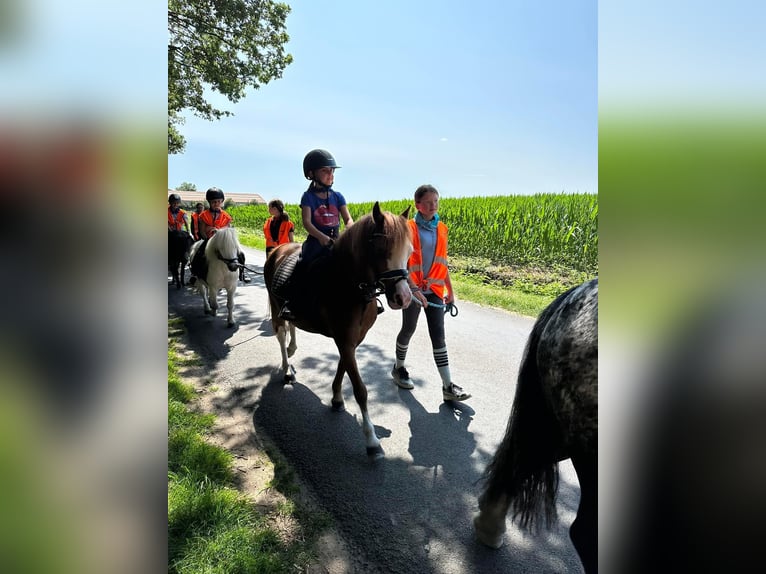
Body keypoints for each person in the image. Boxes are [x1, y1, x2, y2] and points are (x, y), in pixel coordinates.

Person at [391, 184, 471, 402]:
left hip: (434, 290)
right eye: (428, 202)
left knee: (438, 335)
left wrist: (451, 291)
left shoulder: (442, 229)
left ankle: (448, 386)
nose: (433, 205)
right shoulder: (407, 228)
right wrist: (413, 288)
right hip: (413, 288)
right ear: (418, 205)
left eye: (436, 201)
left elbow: (442, 263)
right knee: (408, 328)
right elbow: (400, 262)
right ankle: (399, 368)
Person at [278, 149, 353, 319]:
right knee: (303, 265)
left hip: (336, 240)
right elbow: (307, 222)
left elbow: (347, 218)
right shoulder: (308, 197)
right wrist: (322, 238)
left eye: (332, 171)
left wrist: (351, 228)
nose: (330, 174)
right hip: (316, 241)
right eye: (325, 171)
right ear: (311, 173)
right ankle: (291, 302)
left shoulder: (338, 196)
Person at [190, 187, 250, 284]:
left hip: (223, 241)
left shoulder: (226, 216)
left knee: (240, 253)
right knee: (198, 253)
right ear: (209, 202)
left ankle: (242, 272)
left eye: (219, 201)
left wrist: (220, 233)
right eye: (214, 202)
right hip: (209, 240)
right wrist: (208, 238)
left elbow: (228, 231)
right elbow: (202, 231)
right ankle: (195, 273)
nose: (216, 204)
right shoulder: (203, 216)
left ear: (222, 201)